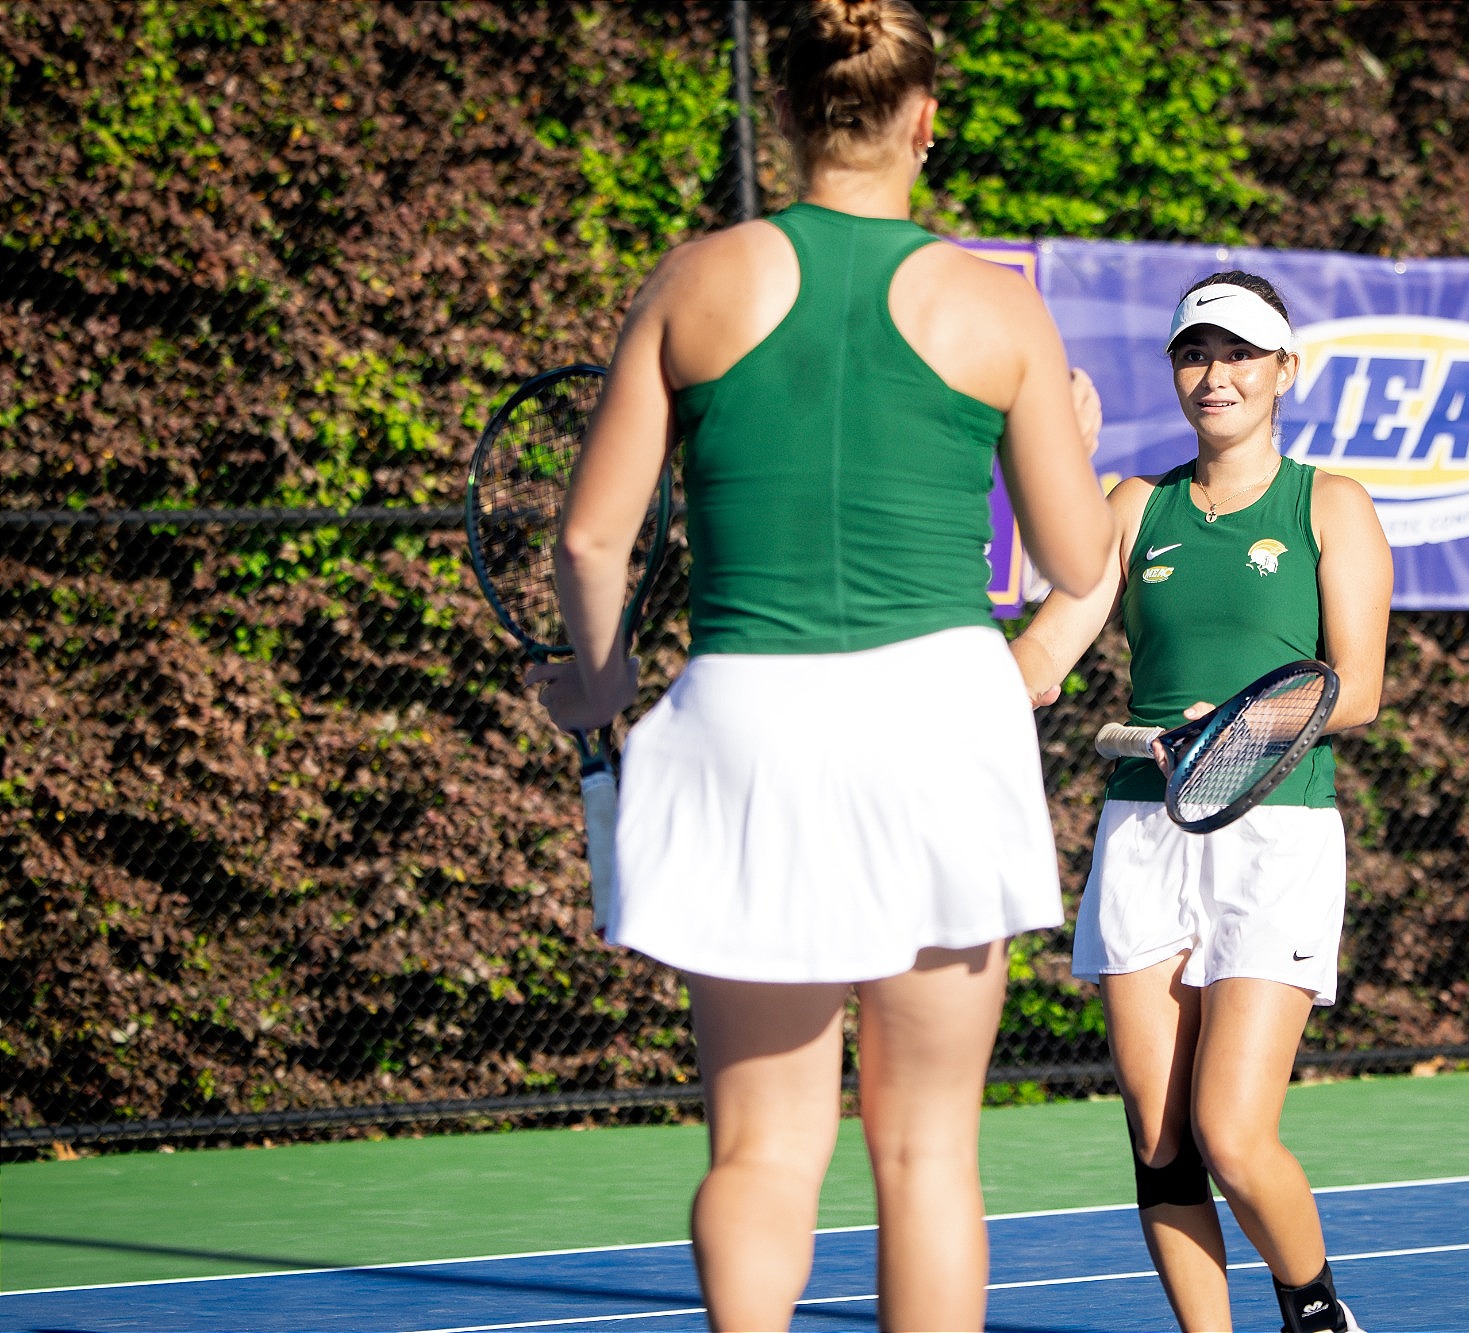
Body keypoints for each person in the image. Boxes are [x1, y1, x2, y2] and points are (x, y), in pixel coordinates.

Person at [527, 2, 1114, 1328]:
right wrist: (1071, 427)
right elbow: (1079, 561)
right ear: (924, 120)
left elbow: (588, 536)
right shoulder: (997, 307)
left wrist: (602, 687)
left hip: (743, 723)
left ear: (788, 116)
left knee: (760, 1151)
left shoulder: (697, 279)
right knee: (927, 1154)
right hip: (938, 723)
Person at [1009, 272, 1392, 1333]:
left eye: (1236, 354)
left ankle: (1313, 1310)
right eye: (1193, 353)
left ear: (1281, 372)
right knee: (1159, 1138)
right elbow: (1048, 645)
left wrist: (1223, 736)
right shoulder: (1135, 506)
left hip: (1276, 834)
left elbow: (1352, 689)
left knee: (1230, 1131)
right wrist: (975, 679)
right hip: (1143, 830)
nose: (1212, 375)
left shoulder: (1330, 504)